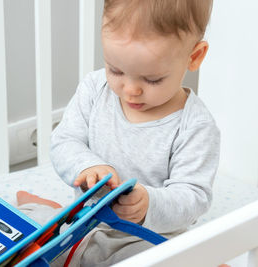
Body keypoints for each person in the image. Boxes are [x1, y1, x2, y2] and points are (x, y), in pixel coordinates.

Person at [17, 0, 220, 265]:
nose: (130, 90)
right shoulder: (94, 88)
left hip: (141, 237)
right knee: (22, 234)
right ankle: (43, 213)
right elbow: (64, 141)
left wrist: (148, 203)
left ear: (194, 57)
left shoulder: (195, 127)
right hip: (80, 222)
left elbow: (194, 197)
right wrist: (88, 166)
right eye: (116, 70)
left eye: (152, 79)